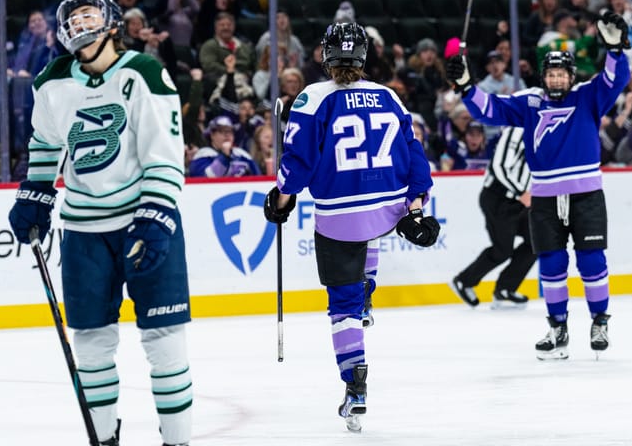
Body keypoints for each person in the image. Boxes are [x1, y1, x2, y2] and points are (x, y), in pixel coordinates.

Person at [7, 0, 192, 445]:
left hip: (142, 221)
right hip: (84, 231)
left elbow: (165, 153)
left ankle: (177, 441)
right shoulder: (50, 81)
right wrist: (35, 194)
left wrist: (156, 215)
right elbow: (47, 144)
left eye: (88, 15)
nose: (77, 24)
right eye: (70, 18)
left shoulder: (144, 72)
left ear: (111, 23)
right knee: (89, 345)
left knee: (165, 339)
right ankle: (105, 438)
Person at [263, 22, 439, 432]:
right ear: (365, 56)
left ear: (325, 55)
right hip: (388, 206)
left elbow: (299, 162)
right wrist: (415, 203)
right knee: (370, 235)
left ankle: (355, 385)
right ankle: (368, 293)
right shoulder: (389, 95)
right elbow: (413, 151)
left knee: (342, 307)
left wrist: (282, 199)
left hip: (340, 214)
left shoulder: (311, 97)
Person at [446, 11, 631, 360]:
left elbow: (615, 80)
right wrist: (468, 88)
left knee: (591, 260)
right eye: (551, 73)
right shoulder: (530, 102)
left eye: (562, 73)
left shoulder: (589, 96)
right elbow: (491, 111)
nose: (556, 79)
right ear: (544, 76)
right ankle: (557, 327)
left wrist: (615, 51)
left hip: (586, 195)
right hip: (544, 198)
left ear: (571, 76)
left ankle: (599, 320)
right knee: (551, 263)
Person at [450, 125, 534, 309]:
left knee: (536, 241)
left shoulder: (542, 132)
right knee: (502, 249)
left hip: (519, 201)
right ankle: (464, 281)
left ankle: (505, 289)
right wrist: (522, 192)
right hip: (498, 199)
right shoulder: (516, 131)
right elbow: (498, 166)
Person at [188, 115, 260, 177]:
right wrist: (224, 156)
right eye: (221, 131)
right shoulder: (203, 155)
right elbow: (208, 178)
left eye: (230, 131)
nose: (227, 135)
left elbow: (258, 178)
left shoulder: (242, 155)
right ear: (212, 135)